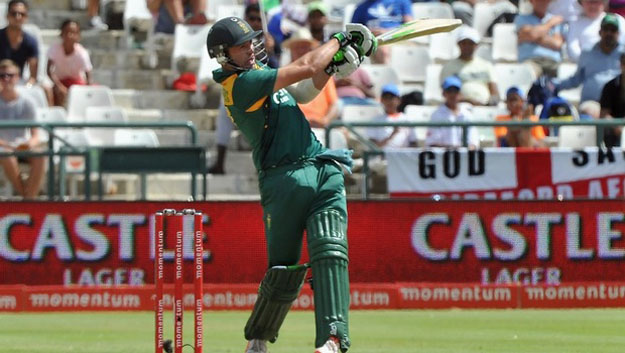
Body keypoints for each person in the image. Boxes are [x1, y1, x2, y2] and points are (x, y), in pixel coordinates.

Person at [206, 16, 376, 353]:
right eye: (241, 46)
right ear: (223, 54)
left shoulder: (259, 78)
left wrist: (332, 68)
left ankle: (332, 339)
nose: (250, 49)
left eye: (251, 42)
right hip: (282, 179)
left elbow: (303, 90)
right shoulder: (240, 86)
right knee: (283, 270)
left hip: (321, 166)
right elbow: (308, 63)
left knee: (330, 251)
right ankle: (258, 339)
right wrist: (340, 39)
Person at [208, 3, 278, 174]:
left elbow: (278, 71)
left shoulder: (272, 41)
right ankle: (220, 161)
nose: (254, 22)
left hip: (266, 91)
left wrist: (273, 52)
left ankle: (267, 162)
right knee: (225, 108)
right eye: (251, 18)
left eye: (258, 19)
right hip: (243, 89)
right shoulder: (231, 41)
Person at [0, 59, 45, 199]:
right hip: (4, 147)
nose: (6, 79)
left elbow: (35, 134)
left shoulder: (27, 102)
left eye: (10, 75)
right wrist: (9, 146)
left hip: (22, 145)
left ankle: (28, 198)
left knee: (40, 156)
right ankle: (27, 199)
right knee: (6, 154)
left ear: (17, 77)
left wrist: (28, 145)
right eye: (2, 76)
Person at [556, 13, 623, 102]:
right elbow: (577, 78)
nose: (609, 33)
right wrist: (555, 86)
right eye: (606, 29)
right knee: (589, 112)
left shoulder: (623, 53)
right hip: (592, 102)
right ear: (600, 32)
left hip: (617, 105)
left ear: (618, 34)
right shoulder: (587, 52)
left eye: (613, 30)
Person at [440, 25, 499, 106]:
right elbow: (448, 93)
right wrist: (469, 102)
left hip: (485, 107)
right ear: (458, 44)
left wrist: (490, 104)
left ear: (476, 45)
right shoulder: (449, 67)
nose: (467, 46)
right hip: (460, 108)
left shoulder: (487, 66)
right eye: (464, 43)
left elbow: (494, 92)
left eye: (470, 43)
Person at [47, 19, 93, 106]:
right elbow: (49, 71)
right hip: (60, 82)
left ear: (78, 36)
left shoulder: (82, 53)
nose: (69, 35)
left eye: (73, 33)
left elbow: (88, 76)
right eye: (67, 32)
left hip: (77, 84)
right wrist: (59, 86)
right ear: (61, 33)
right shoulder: (54, 49)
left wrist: (87, 90)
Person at [515, 0, 566, 77]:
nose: (542, 2)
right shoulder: (521, 18)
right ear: (531, 1)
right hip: (531, 61)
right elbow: (532, 34)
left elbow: (557, 44)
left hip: (553, 63)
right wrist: (549, 24)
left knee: (563, 77)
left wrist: (533, 36)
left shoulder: (557, 20)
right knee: (527, 75)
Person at [425, 76, 479, 148]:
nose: (453, 95)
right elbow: (432, 143)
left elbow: (473, 142)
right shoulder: (436, 115)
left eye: (455, 91)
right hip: (443, 157)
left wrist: (463, 152)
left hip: (464, 156)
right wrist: (453, 151)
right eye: (449, 91)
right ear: (444, 93)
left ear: (460, 94)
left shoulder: (467, 114)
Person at [0, 0, 38, 85]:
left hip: (19, 84)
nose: (18, 17)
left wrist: (26, 88)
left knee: (45, 90)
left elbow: (33, 77)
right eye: (14, 13)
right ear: (7, 16)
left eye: (22, 14)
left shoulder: (30, 41)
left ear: (26, 17)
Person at [599, 52, 625, 146]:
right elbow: (604, 115)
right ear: (621, 65)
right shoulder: (609, 86)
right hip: (615, 131)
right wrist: (617, 126)